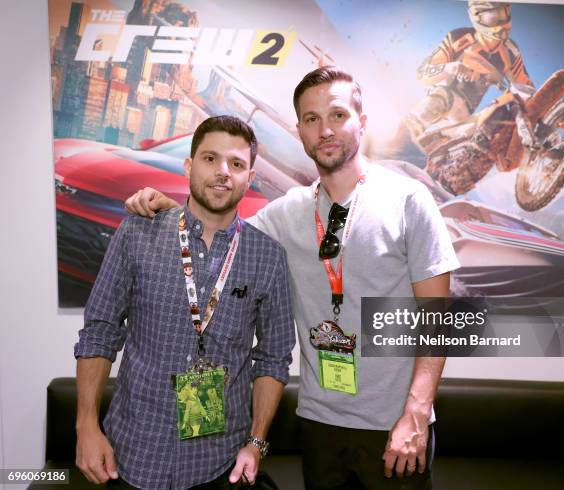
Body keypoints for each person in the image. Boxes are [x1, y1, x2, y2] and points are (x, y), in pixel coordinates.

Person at [126, 66, 460, 489]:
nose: (325, 130)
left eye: (338, 115)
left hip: (394, 426)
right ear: (300, 130)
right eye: (311, 119)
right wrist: (166, 207)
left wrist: (416, 412)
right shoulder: (287, 212)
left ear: (362, 121)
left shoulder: (408, 200)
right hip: (319, 422)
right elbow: (221, 230)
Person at [74, 115, 295, 489]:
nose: (223, 172)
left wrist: (256, 444)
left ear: (250, 177)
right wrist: (86, 428)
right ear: (190, 165)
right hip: (132, 456)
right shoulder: (137, 232)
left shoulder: (267, 257)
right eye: (210, 159)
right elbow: (100, 332)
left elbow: (274, 358)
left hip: (220, 464)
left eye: (237, 164)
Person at [404, 1, 533, 147]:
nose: (502, 23)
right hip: (443, 97)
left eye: (504, 14)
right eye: (493, 16)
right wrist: (449, 68)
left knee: (494, 124)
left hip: (465, 117)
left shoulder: (511, 52)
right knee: (437, 101)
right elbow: (422, 72)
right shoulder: (457, 37)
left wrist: (545, 109)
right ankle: (403, 139)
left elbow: (526, 87)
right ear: (477, 17)